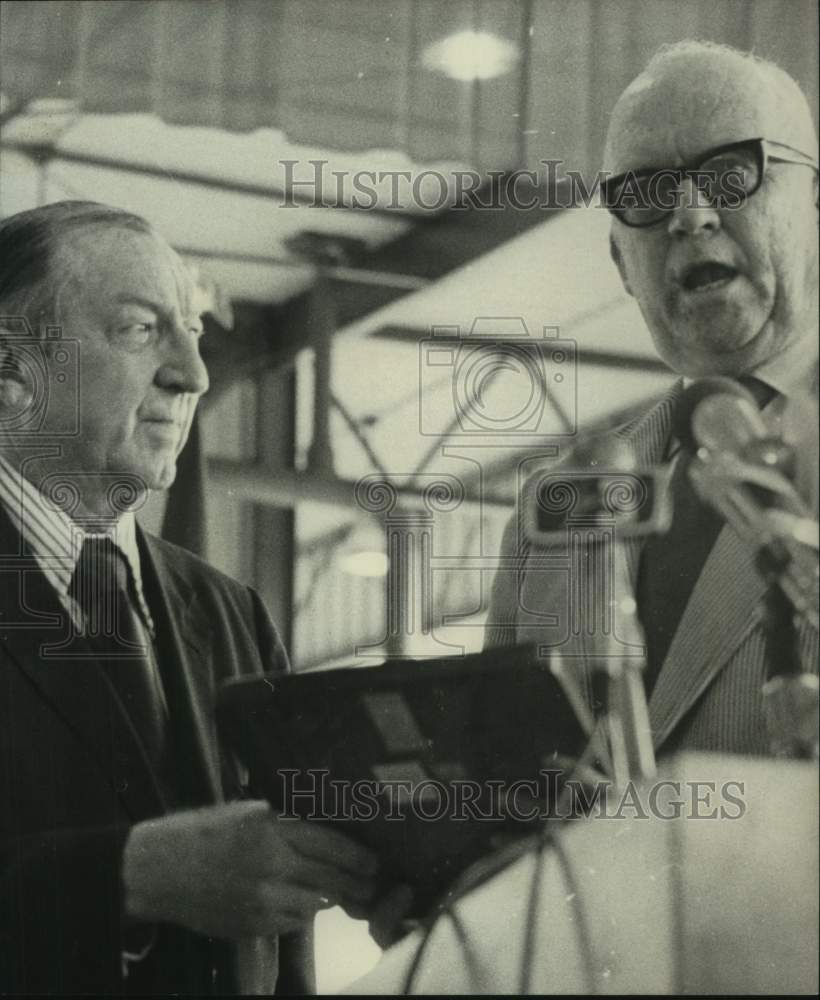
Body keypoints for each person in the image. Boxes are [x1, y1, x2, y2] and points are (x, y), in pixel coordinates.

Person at [0, 201, 405, 994]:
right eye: (140, 330)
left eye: (193, 328)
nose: (195, 373)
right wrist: (128, 878)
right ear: (13, 370)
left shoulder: (232, 616)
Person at [485, 41, 819, 756]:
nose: (689, 216)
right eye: (645, 193)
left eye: (733, 174)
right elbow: (501, 787)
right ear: (620, 263)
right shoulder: (554, 509)